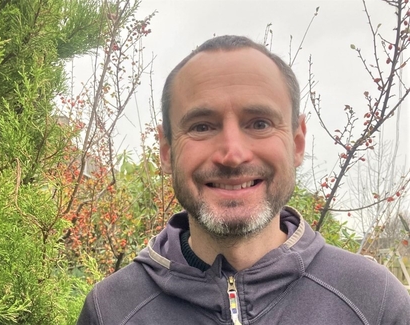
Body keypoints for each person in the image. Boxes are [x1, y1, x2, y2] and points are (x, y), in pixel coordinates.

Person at [77, 35, 410, 325]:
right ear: (166, 150)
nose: (232, 154)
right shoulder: (111, 310)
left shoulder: (374, 302)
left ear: (296, 144)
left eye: (260, 123)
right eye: (202, 126)